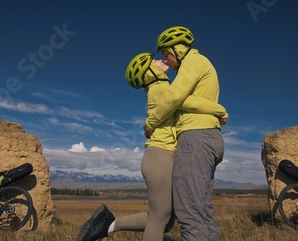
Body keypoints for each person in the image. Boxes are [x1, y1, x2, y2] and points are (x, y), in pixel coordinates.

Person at [76, 52, 227, 241]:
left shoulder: (161, 88)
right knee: (159, 219)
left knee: (167, 218)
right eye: (154, 61)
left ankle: (108, 224)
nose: (161, 60)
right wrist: (219, 110)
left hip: (163, 156)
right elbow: (190, 102)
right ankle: (108, 225)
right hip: (161, 156)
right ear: (149, 72)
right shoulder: (162, 90)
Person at [144, 26, 227, 241]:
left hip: (195, 138)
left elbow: (173, 98)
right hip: (209, 137)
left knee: (188, 212)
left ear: (177, 49)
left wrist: (150, 124)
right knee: (203, 211)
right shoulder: (199, 63)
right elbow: (186, 101)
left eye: (166, 54)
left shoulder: (193, 62)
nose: (167, 60)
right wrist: (217, 110)